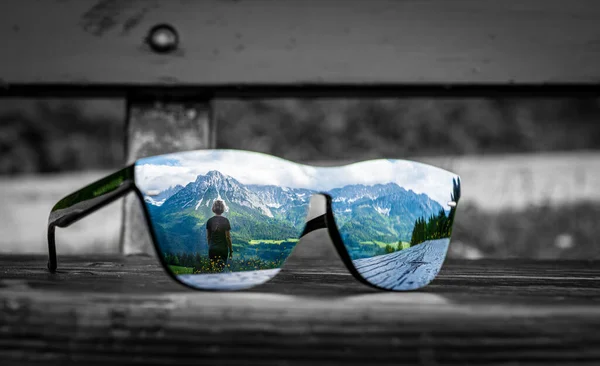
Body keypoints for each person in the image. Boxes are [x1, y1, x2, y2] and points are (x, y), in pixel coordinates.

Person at [206, 200, 233, 272]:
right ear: (222, 209)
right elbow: (228, 237)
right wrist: (231, 250)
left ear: (213, 208)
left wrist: (211, 246)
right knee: (221, 270)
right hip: (223, 249)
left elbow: (208, 237)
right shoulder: (225, 221)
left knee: (213, 270)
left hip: (212, 249)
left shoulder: (209, 221)